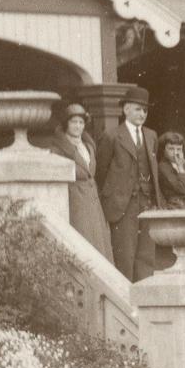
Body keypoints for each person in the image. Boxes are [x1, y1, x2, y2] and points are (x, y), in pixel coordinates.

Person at [95, 86, 165, 279]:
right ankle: (126, 305)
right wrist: (112, 198)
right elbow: (100, 173)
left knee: (146, 256)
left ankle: (144, 300)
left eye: (145, 110)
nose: (142, 114)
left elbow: (151, 167)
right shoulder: (112, 135)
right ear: (125, 109)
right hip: (122, 205)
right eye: (137, 109)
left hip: (147, 204)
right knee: (124, 256)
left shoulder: (151, 136)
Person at [43, 103, 112, 258]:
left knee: (99, 244)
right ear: (66, 124)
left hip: (93, 202)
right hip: (76, 202)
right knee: (83, 244)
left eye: (81, 122)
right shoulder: (58, 149)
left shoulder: (88, 146)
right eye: (74, 122)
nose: (78, 126)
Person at [154, 131, 185, 269]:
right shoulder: (163, 167)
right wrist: (181, 169)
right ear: (163, 150)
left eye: (179, 149)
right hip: (174, 206)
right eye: (171, 149)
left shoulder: (181, 164)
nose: (176, 153)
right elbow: (182, 189)